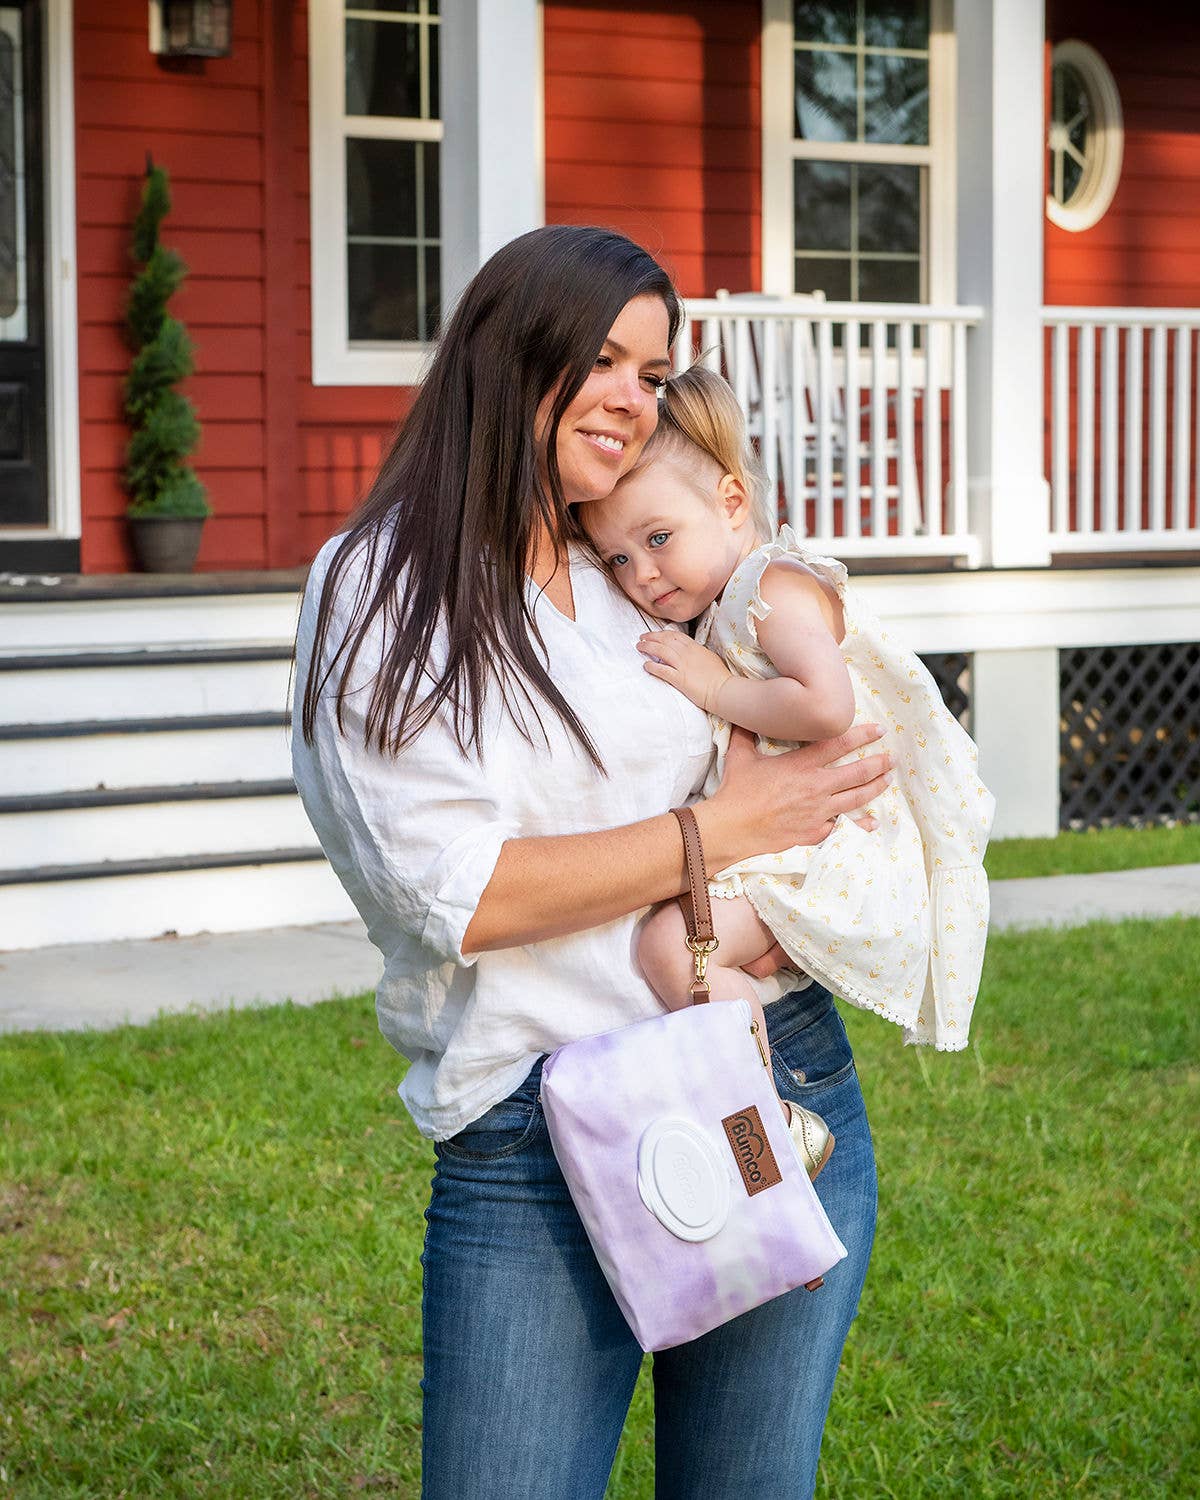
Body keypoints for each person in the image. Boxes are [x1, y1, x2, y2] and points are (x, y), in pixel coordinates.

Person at [292, 225, 890, 1500]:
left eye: (656, 371)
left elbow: (800, 727)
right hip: (536, 1131)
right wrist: (716, 838)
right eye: (604, 360)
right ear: (510, 354)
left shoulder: (642, 563)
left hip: (766, 1083)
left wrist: (780, 871)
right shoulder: (386, 589)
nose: (633, 398)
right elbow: (465, 892)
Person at [581, 364, 995, 1066]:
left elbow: (826, 705)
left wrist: (716, 691)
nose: (641, 576)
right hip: (794, 835)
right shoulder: (723, 604)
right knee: (676, 944)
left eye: (657, 540)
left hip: (843, 846)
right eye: (616, 559)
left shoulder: (770, 588)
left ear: (733, 500)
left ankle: (754, 1114)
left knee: (670, 945)